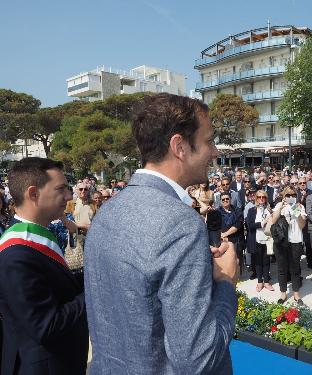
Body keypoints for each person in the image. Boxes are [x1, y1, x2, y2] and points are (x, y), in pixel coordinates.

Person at [84, 93, 238, 374]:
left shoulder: (106, 212)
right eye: (209, 141)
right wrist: (227, 283)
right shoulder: (181, 224)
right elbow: (197, 359)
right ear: (180, 146)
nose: (214, 152)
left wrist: (198, 270)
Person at [0, 157, 88, 375]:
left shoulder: (38, 235)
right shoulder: (16, 253)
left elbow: (58, 289)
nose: (68, 197)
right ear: (33, 194)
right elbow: (46, 325)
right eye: (61, 189)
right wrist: (94, 292)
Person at [272, 186, 307, 305]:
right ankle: (283, 293)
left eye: (293, 195)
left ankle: (296, 293)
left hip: (295, 240)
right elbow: (273, 220)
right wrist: (281, 206)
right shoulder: (279, 206)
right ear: (283, 196)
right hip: (281, 241)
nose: (291, 197)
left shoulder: (299, 207)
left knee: (295, 268)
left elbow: (302, 225)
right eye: (288, 195)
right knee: (282, 268)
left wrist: (295, 209)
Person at [246, 190, 274, 292]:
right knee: (258, 262)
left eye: (263, 197)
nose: (261, 199)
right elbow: (250, 226)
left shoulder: (269, 210)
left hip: (267, 239)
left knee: (266, 261)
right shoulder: (252, 210)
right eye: (259, 197)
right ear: (256, 198)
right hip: (256, 238)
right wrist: (262, 223)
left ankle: (266, 281)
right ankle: (259, 282)